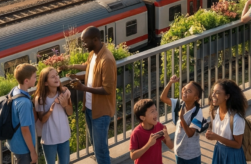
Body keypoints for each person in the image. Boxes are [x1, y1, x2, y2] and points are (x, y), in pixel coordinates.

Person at [63, 26, 117, 164]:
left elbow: (108, 89)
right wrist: (75, 75)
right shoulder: (93, 54)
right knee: (95, 145)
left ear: (95, 40)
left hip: (101, 111)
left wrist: (83, 88)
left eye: (85, 42)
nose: (83, 45)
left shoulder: (106, 60)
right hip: (89, 108)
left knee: (101, 150)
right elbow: (90, 71)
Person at [160, 76, 205, 164]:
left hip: (191, 155)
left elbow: (190, 134)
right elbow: (163, 98)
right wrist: (170, 82)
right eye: (184, 89)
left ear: (196, 97)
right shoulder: (179, 103)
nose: (184, 91)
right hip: (179, 152)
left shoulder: (197, 112)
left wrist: (182, 119)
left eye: (189, 91)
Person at [34, 67, 73, 164]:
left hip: (64, 136)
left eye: (57, 75)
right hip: (49, 138)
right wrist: (50, 110)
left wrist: (65, 105)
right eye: (52, 77)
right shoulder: (40, 99)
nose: (56, 78)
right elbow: (42, 119)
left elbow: (70, 112)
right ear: (45, 83)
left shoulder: (64, 93)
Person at [205, 79, 248, 164]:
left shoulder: (236, 118)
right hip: (219, 151)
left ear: (227, 96)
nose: (213, 95)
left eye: (217, 93)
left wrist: (217, 137)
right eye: (213, 92)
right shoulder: (215, 112)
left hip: (232, 156)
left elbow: (238, 144)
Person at [7, 64, 38, 164]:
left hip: (15, 143)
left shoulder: (15, 91)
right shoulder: (24, 103)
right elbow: (25, 129)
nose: (36, 79)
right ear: (26, 81)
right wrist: (32, 151)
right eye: (34, 77)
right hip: (23, 148)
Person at [129, 99, 174, 164]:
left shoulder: (159, 126)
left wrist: (167, 137)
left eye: (155, 109)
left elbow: (171, 146)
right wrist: (149, 144)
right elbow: (133, 156)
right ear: (142, 117)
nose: (156, 113)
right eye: (152, 111)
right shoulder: (136, 133)